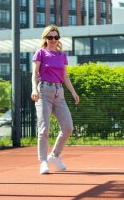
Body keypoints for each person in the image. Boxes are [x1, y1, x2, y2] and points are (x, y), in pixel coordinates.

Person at [31, 24, 80, 175]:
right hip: (44, 91)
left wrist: (73, 92)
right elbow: (34, 73)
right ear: (45, 38)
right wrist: (34, 89)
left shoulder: (62, 55)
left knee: (68, 127)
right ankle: (43, 162)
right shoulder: (40, 53)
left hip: (59, 92)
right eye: (50, 37)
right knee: (44, 129)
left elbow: (65, 76)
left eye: (56, 37)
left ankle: (54, 156)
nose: (53, 40)